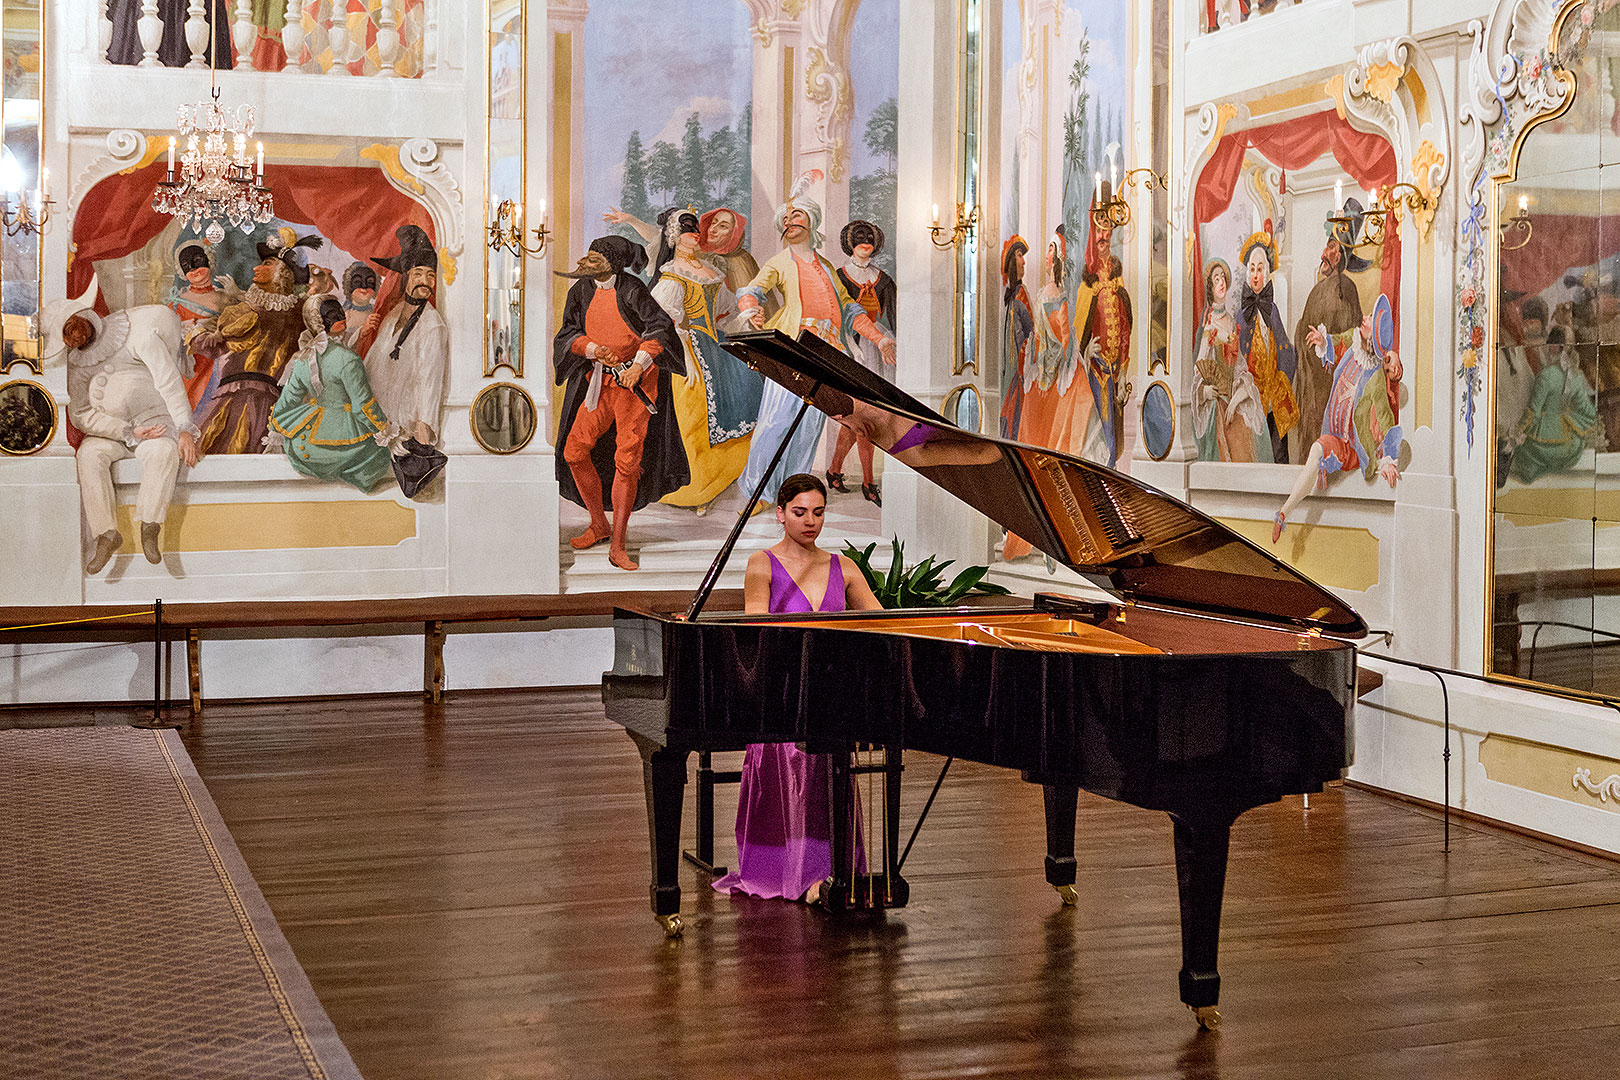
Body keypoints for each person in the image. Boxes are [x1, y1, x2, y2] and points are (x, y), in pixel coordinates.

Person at [712, 473, 883, 903]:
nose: (811, 522)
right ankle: (788, 871)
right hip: (782, 695)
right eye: (800, 512)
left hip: (832, 696)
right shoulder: (760, 563)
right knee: (790, 761)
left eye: (819, 512)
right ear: (780, 514)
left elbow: (881, 622)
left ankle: (831, 872)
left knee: (830, 769)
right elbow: (757, 626)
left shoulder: (843, 566)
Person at [736, 172, 897, 510]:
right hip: (792, 350)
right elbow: (751, 291)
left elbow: (850, 309)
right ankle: (757, 491)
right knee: (777, 422)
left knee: (808, 427)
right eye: (786, 219)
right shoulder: (780, 262)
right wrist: (752, 310)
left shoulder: (825, 265)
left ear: (811, 223)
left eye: (797, 216)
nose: (790, 222)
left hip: (826, 353)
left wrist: (879, 339)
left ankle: (791, 491)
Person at [553, 235, 687, 571]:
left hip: (635, 386)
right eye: (589, 254)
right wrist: (592, 349)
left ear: (613, 262)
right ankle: (599, 524)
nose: (587, 261)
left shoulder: (632, 289)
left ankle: (618, 544)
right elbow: (567, 333)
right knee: (574, 451)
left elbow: (660, 328)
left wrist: (639, 365)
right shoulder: (580, 291)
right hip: (598, 381)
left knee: (627, 463)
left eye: (596, 257)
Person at [41, 288, 198, 572]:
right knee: (89, 456)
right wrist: (125, 430)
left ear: (79, 316)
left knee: (163, 451)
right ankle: (106, 534)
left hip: (153, 421)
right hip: (112, 432)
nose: (75, 339)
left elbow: (168, 380)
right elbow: (80, 413)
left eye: (71, 328)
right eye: (67, 337)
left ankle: (150, 526)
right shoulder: (76, 362)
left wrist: (185, 427)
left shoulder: (135, 332)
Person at [648, 206, 764, 513]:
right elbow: (666, 324)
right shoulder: (671, 275)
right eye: (688, 230)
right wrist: (685, 356)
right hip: (687, 350)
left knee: (752, 386)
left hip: (718, 345)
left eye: (696, 229)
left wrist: (747, 317)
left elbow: (724, 317)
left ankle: (732, 478)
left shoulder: (712, 271)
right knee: (694, 408)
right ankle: (696, 489)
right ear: (674, 236)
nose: (695, 234)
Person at [1273, 294, 1402, 542]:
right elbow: (1338, 340)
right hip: (1331, 431)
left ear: (1373, 334)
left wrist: (1387, 458)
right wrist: (1324, 340)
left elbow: (1385, 418)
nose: (1364, 318)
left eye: (1369, 318)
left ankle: (1284, 511)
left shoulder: (1375, 378)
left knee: (1315, 451)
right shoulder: (1354, 344)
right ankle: (1283, 514)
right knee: (1315, 451)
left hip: (1348, 446)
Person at [193, 227, 323, 454]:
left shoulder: (297, 312)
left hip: (259, 402)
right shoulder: (254, 308)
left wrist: (193, 333)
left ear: (282, 273)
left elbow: (212, 345)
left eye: (266, 264)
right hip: (240, 397)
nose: (256, 267)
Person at [268, 295, 392, 493]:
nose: (340, 317)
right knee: (379, 455)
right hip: (346, 448)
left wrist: (276, 428)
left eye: (340, 312)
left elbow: (288, 401)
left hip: (304, 449)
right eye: (331, 315)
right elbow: (362, 406)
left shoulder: (303, 358)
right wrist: (385, 431)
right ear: (318, 322)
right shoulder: (348, 359)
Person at [1290, 199, 1371, 460]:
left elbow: (1351, 339)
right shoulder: (1318, 289)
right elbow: (1304, 331)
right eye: (1327, 245)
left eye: (1332, 247)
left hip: (1330, 388)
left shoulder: (1345, 289)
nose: (1324, 253)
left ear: (1341, 255)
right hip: (1310, 386)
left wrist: (1326, 347)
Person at [363, 225, 449, 451]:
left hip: (404, 423)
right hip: (377, 418)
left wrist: (425, 427)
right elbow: (373, 361)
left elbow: (430, 380)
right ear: (406, 278)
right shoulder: (393, 314)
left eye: (430, 275)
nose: (425, 280)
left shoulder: (433, 324)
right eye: (418, 274)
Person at [828, 219, 897, 498]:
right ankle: (868, 484)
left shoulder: (885, 280)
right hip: (851, 349)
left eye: (869, 237)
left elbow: (893, 318)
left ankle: (834, 471)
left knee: (858, 420)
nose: (864, 241)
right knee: (861, 419)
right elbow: (835, 316)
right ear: (850, 243)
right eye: (859, 237)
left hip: (879, 353)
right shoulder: (839, 277)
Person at [1191, 258, 1271, 463]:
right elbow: (1199, 367)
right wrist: (1205, 391)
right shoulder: (1208, 324)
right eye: (1216, 279)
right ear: (1210, 287)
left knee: (1251, 426)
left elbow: (1241, 368)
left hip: (1232, 395)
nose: (1221, 282)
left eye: (1223, 278)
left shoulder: (1232, 321)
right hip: (1216, 401)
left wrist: (1237, 399)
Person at [1234, 229, 1300, 464]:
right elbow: (1237, 358)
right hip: (1251, 398)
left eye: (1260, 269)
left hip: (1274, 397)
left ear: (1268, 273)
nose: (1255, 275)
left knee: (1279, 453)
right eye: (1252, 269)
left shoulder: (1273, 311)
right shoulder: (1241, 317)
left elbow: (1284, 349)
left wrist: (1281, 383)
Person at [1507, 327, 1604, 484]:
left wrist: (1517, 431)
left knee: (1521, 452)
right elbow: (1585, 408)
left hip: (1542, 446)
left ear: (1553, 345)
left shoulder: (1545, 376)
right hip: (1570, 447)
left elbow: (1533, 412)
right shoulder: (1576, 375)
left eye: (1549, 343)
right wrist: (1598, 419)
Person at [1073, 217, 1133, 468]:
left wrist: (1124, 374)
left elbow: (1127, 331)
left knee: (1112, 437)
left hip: (1115, 374)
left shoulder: (1119, 285)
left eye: (1107, 229)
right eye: (1098, 230)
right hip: (1095, 372)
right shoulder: (1087, 287)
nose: (1103, 236)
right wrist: (1085, 352)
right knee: (1099, 438)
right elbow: (1078, 334)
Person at [165, 241, 228, 412]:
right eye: (186, 266)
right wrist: (195, 325)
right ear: (182, 272)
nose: (194, 269)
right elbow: (170, 334)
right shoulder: (178, 302)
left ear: (209, 261)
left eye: (198, 260)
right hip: (191, 365)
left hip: (220, 363)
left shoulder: (224, 298)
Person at [999, 235, 1033, 441]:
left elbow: (1030, 334)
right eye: (1020, 255)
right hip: (1009, 372)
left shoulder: (1021, 294)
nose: (1024, 261)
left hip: (1019, 371)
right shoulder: (1010, 295)